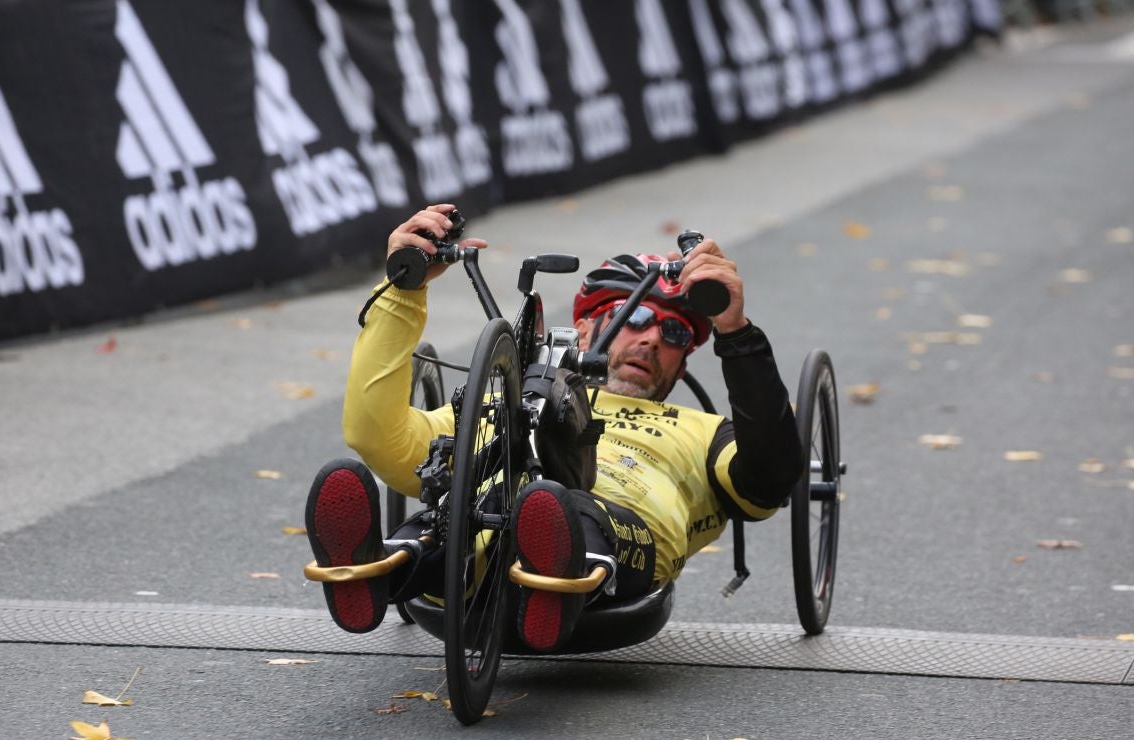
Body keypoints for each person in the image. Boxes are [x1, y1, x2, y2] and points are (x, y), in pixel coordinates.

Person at [304, 203, 802, 652]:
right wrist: (402, 291)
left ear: (682, 364)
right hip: (487, 518)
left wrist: (735, 333)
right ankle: (374, 567)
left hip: (619, 532)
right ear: (581, 329)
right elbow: (376, 434)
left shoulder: (703, 430)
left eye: (673, 332)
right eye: (637, 315)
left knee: (566, 512)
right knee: (458, 516)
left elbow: (767, 484)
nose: (652, 338)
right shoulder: (498, 399)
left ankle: (555, 571)